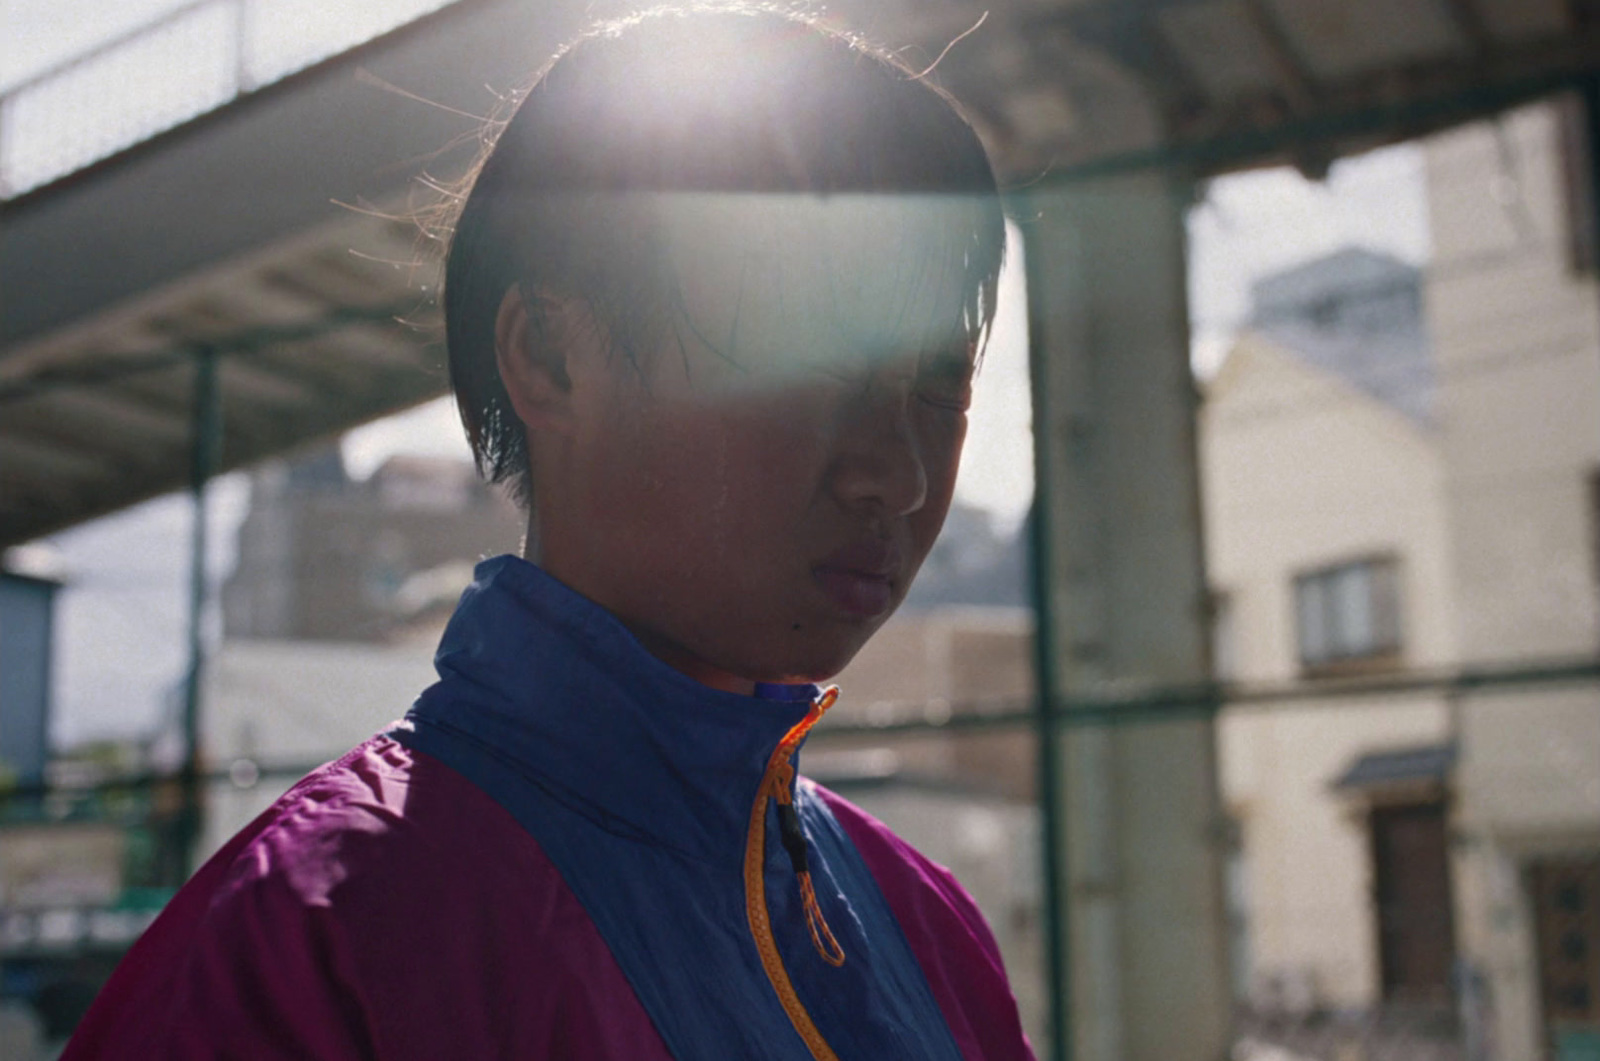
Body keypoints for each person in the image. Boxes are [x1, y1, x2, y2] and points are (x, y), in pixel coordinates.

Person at [63, 5, 1035, 1058]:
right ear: (551, 359)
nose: (893, 471)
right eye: (808, 362)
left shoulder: (926, 922)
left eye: (941, 386)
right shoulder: (311, 935)